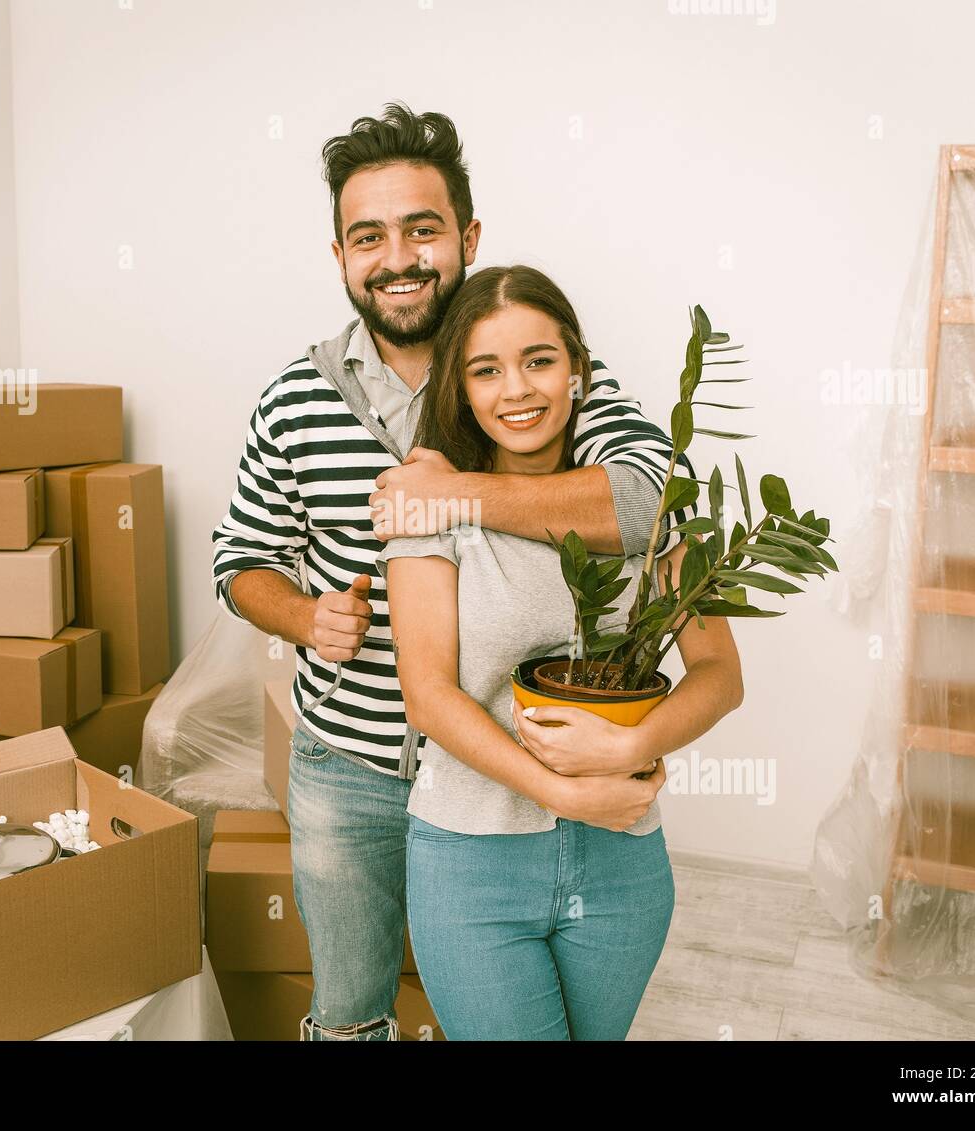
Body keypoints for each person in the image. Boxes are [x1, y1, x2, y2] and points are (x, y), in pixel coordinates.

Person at [211, 103, 701, 1041]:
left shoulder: (536, 377)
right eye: (369, 236)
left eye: (423, 229)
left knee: (497, 1005)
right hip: (350, 764)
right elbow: (240, 558)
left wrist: (453, 494)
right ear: (341, 256)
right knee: (352, 1010)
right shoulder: (292, 399)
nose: (398, 256)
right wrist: (304, 617)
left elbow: (648, 506)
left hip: (511, 771)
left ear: (468, 237)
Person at [376, 264, 744, 1040]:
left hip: (623, 858)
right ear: (462, 389)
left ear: (578, 369)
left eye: (538, 360)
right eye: (487, 369)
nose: (517, 389)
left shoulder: (642, 514)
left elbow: (720, 675)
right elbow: (428, 694)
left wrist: (635, 743)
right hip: (472, 861)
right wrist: (565, 789)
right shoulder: (428, 507)